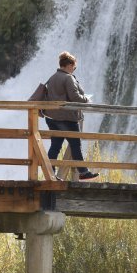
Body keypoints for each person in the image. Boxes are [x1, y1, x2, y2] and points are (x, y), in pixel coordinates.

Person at [43, 51, 98, 181]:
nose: (74, 69)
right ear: (68, 65)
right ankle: (83, 172)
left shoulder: (52, 77)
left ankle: (50, 173)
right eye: (74, 66)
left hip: (52, 118)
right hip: (66, 117)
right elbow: (75, 97)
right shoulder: (68, 78)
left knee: (55, 146)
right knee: (75, 145)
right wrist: (86, 100)